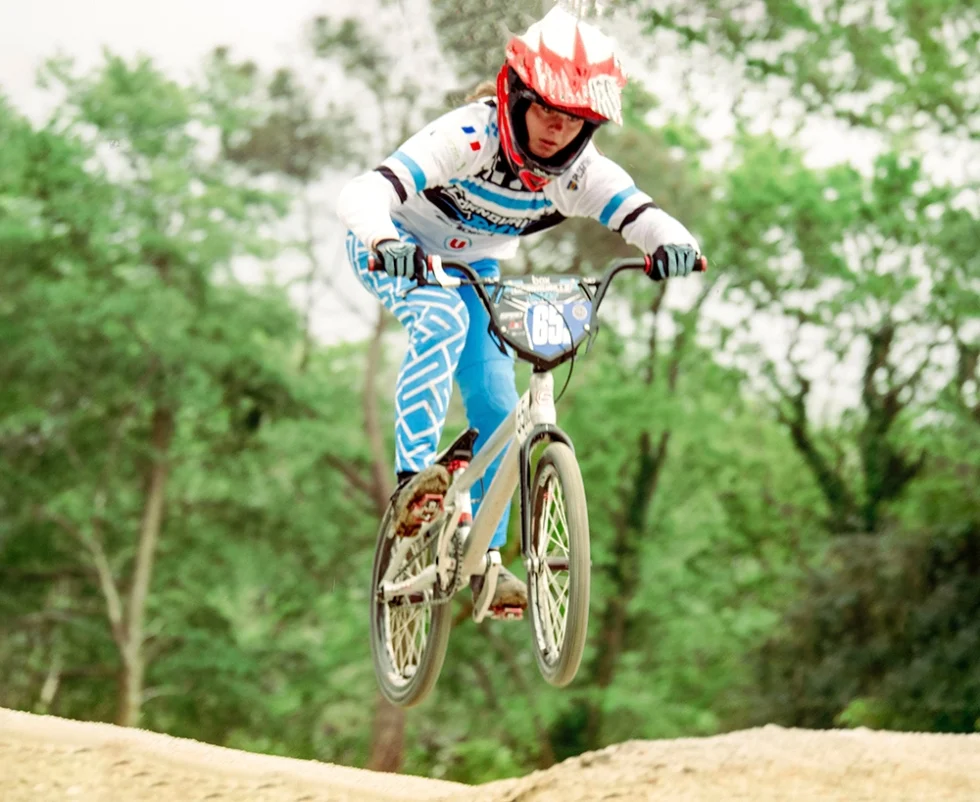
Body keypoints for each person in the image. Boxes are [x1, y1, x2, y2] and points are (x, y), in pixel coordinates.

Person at [336, 7, 704, 613]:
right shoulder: (468, 137)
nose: (558, 130)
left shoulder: (579, 174)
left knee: (498, 400)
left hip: (473, 267)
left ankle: (485, 557)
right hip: (396, 247)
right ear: (517, 97)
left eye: (574, 120)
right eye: (547, 111)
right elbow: (364, 191)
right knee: (442, 319)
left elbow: (642, 215)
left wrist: (674, 245)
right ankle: (413, 485)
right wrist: (384, 240)